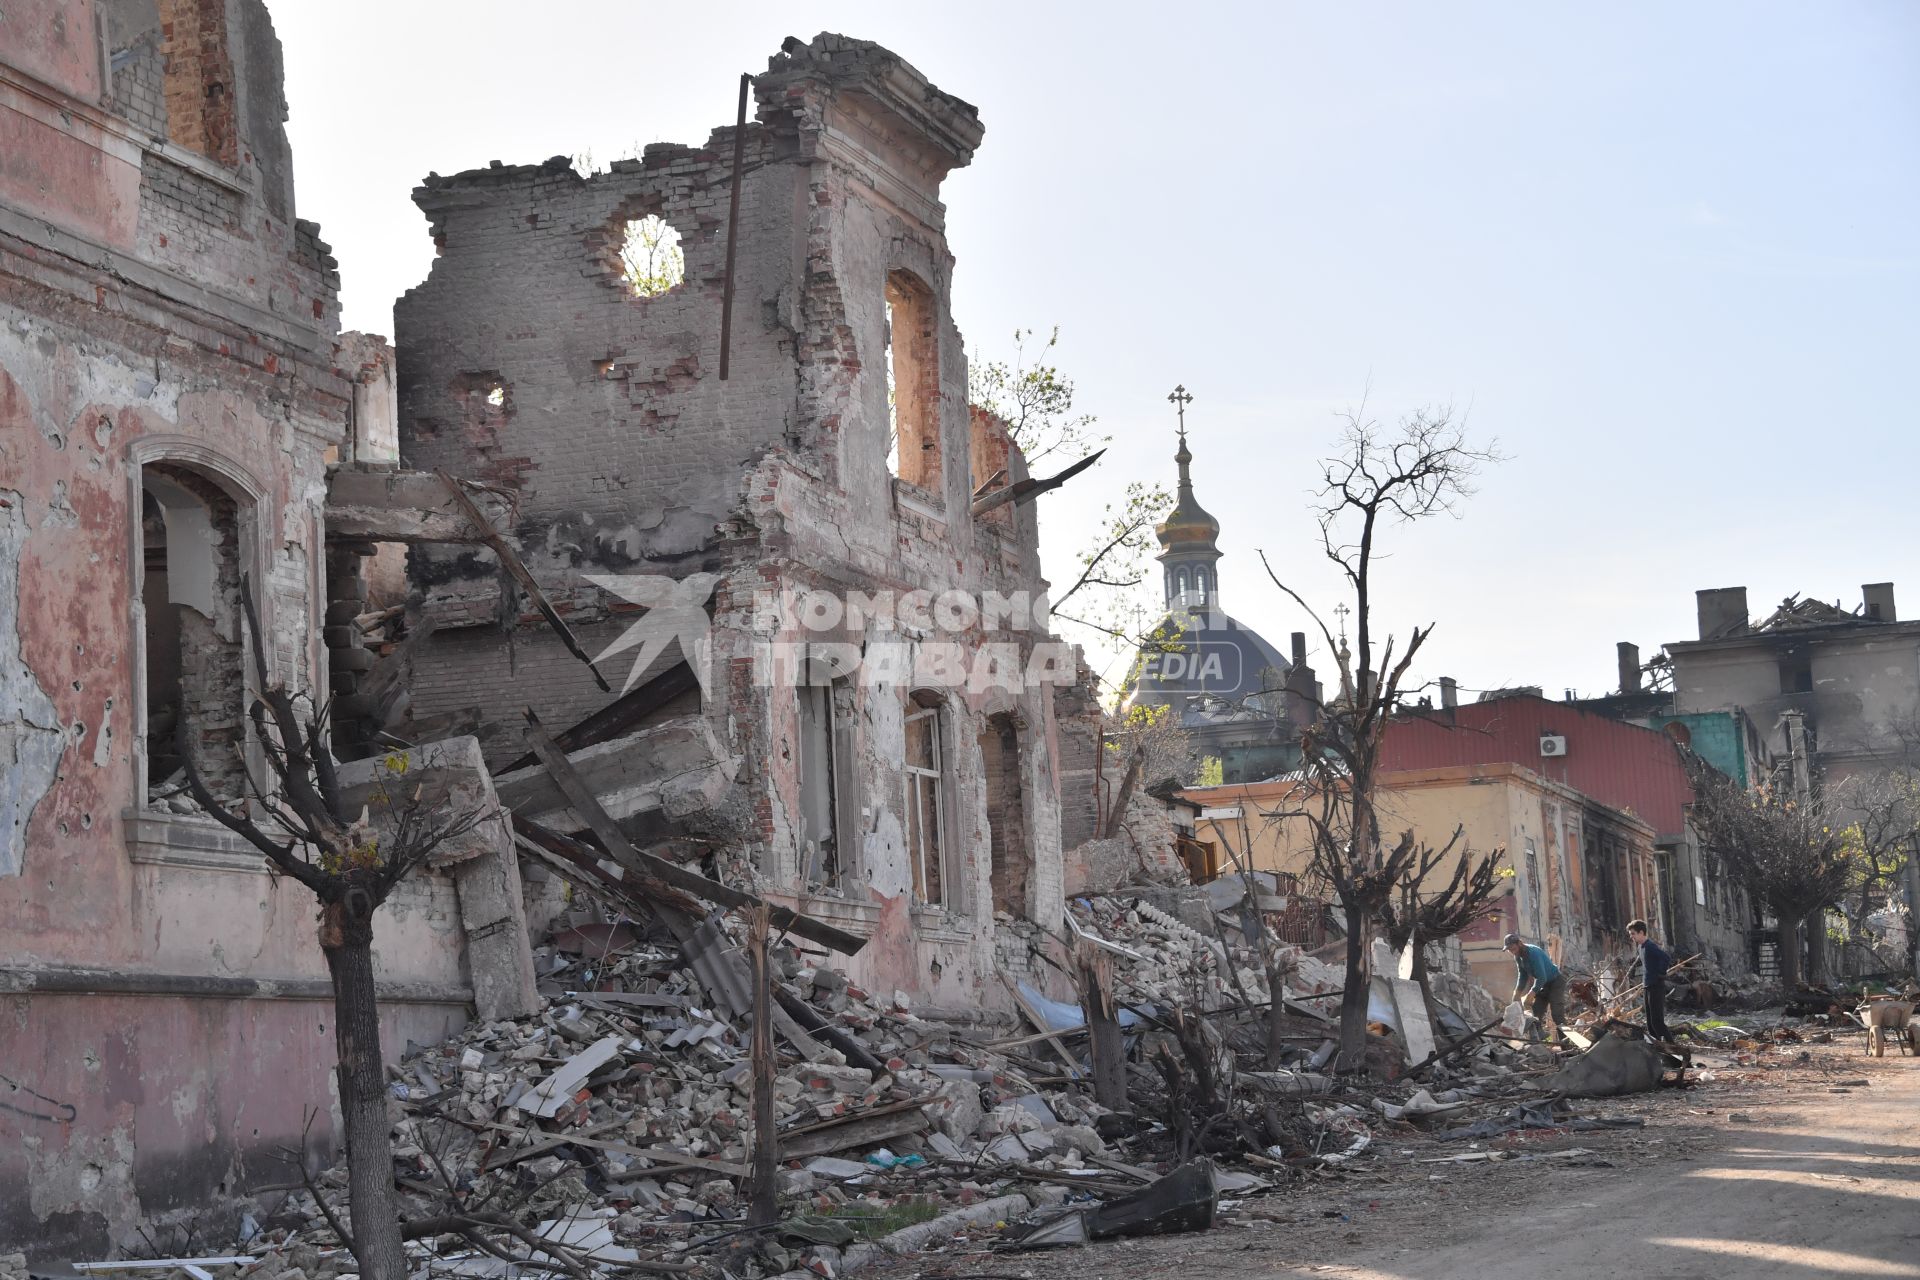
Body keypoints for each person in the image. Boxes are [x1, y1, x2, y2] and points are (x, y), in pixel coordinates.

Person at [1505, 932, 1569, 1042]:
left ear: (1520, 943)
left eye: (1513, 949)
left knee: (1557, 1015)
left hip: (1556, 982)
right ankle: (1538, 1042)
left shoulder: (1533, 953)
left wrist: (1532, 992)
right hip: (1543, 984)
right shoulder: (1518, 957)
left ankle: (1567, 1044)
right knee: (1535, 1013)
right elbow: (1523, 975)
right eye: (1510, 950)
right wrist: (1517, 992)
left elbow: (1542, 977)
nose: (1512, 952)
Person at [1628, 918, 1672, 1042]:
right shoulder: (1640, 948)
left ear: (1641, 932)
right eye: (1630, 934)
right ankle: (1656, 1047)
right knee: (1649, 1022)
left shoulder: (1650, 946)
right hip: (1647, 986)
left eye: (1633, 934)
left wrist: (1660, 973)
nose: (1631, 937)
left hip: (1656, 986)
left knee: (1657, 1021)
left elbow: (1665, 958)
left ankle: (1673, 1047)